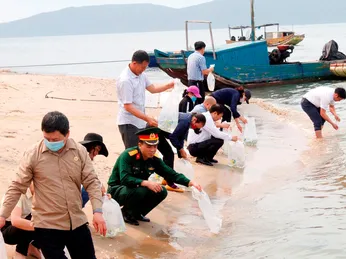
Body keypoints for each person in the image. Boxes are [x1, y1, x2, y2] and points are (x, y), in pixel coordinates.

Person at [0, 111, 106, 259]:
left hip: (76, 221)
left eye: (55, 139)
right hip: (47, 225)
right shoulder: (33, 154)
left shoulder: (80, 151)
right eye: (46, 138)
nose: (50, 142)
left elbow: (92, 181)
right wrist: (3, 215)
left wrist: (97, 211)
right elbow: (17, 186)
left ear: (67, 134)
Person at [107, 127, 202, 226]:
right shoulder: (128, 155)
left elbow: (171, 173)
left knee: (161, 191)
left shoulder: (154, 159)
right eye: (149, 146)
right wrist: (146, 183)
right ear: (140, 145)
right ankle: (126, 213)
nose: (152, 150)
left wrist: (190, 183)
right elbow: (125, 179)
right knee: (142, 190)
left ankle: (137, 213)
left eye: (155, 146)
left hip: (135, 189)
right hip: (116, 191)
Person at [117, 50, 174, 149]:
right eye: (142, 67)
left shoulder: (142, 75)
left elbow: (153, 89)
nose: (143, 70)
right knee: (133, 152)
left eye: (145, 67)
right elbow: (128, 106)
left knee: (142, 151)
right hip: (129, 122)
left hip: (140, 120)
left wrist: (168, 86)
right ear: (134, 63)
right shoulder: (125, 80)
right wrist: (147, 118)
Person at [157, 113, 206, 192]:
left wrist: (181, 153)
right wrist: (180, 149)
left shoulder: (187, 120)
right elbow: (173, 137)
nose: (194, 128)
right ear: (195, 120)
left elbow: (181, 137)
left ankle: (166, 179)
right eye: (196, 126)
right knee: (169, 155)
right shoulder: (185, 121)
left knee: (168, 155)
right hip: (156, 131)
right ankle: (170, 183)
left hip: (160, 131)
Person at [1, 182, 41, 259]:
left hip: (24, 228)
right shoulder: (18, 192)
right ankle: (22, 252)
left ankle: (31, 247)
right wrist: (42, 226)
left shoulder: (40, 195)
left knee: (48, 219)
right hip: (7, 230)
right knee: (39, 221)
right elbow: (15, 221)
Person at [80, 133, 109, 208]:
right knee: (89, 189)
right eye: (96, 149)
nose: (96, 153)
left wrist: (99, 185)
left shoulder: (86, 159)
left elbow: (89, 176)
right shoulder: (78, 157)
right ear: (90, 147)